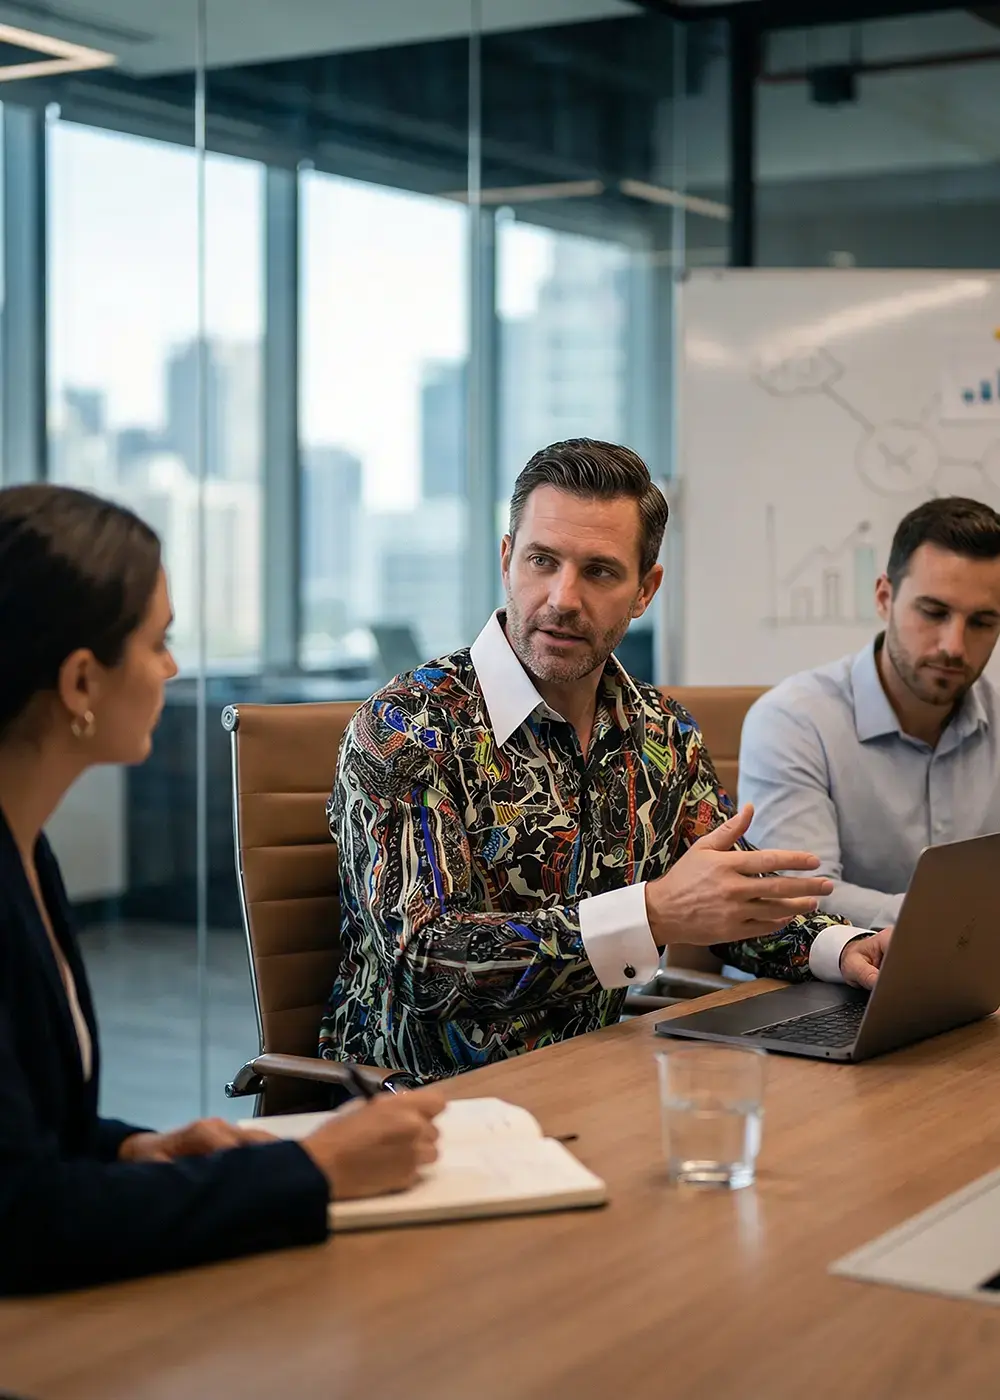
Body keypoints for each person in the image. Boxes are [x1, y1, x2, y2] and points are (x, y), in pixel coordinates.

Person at [321, 439, 888, 1083]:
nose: (563, 597)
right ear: (507, 560)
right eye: (542, 560)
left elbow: (725, 902)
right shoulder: (409, 728)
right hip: (418, 1109)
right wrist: (651, 914)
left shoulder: (660, 731)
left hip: (595, 1084)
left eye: (599, 571)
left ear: (645, 590)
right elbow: (424, 961)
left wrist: (845, 948)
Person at [0, 483, 443, 1296]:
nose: (172, 668)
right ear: (79, 684)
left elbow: (26, 1143)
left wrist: (129, 1151)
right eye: (158, 642)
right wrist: (311, 1168)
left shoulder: (29, 849)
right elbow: (24, 1222)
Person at [740, 496, 1000, 930]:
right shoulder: (794, 720)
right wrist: (954, 920)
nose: (954, 646)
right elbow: (800, 895)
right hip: (815, 985)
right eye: (934, 612)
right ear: (884, 597)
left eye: (982, 622)